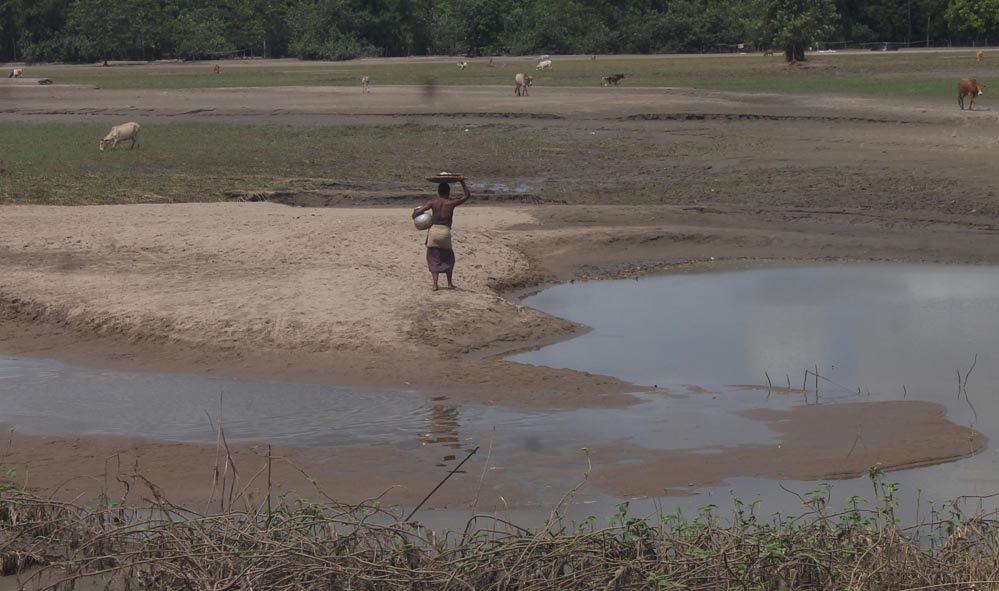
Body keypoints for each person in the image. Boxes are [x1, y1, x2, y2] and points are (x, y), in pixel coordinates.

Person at [412, 179, 471, 291]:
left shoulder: (433, 202)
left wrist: (416, 213)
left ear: (438, 192)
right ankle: (449, 283)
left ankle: (435, 285)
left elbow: (417, 213)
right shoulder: (451, 203)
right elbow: (467, 195)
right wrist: (462, 182)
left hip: (433, 231)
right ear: (448, 192)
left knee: (433, 256)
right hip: (445, 231)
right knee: (448, 256)